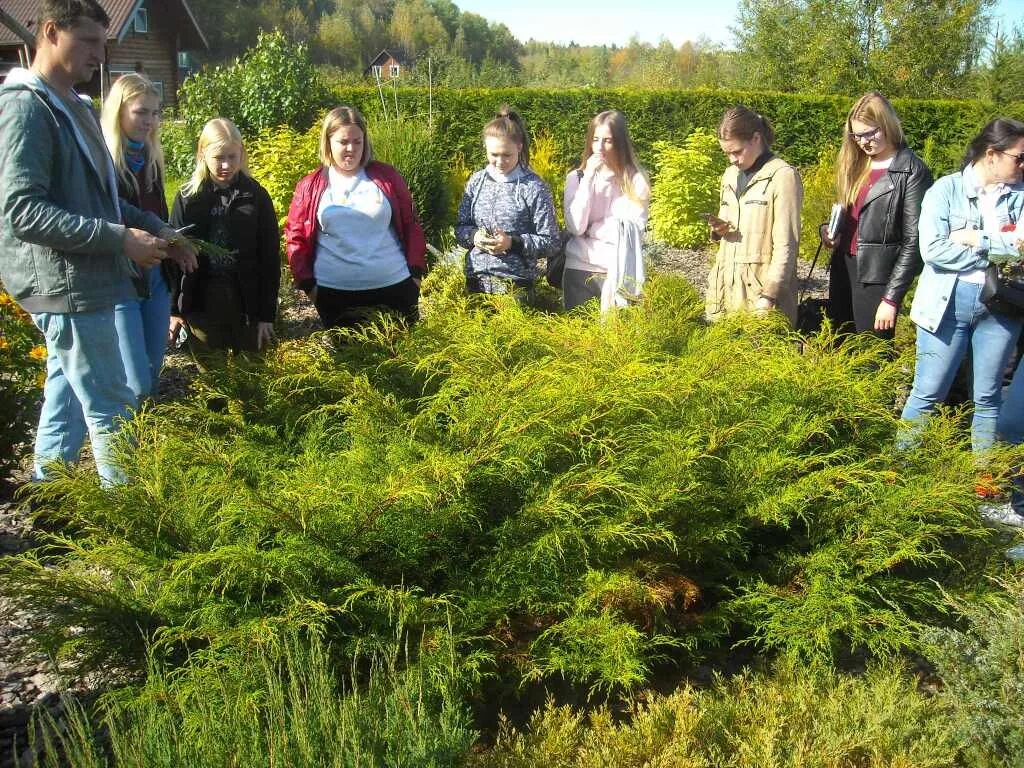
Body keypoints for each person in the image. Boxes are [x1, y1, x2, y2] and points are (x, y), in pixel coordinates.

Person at [0, 0, 195, 485]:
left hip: (86, 279)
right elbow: (22, 211)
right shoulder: (27, 107)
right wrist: (118, 239)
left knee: (65, 396)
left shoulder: (77, 108)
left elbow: (105, 202)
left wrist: (159, 228)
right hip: (63, 284)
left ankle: (51, 498)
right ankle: (129, 522)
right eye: (88, 41)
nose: (99, 54)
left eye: (102, 43)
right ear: (49, 33)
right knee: (113, 403)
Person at [899, 118, 1024, 456]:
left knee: (988, 396)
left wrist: (976, 239)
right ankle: (899, 474)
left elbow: (1023, 250)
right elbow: (933, 251)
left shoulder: (1021, 196)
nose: (1023, 165)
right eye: (1019, 157)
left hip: (1002, 307)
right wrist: (998, 252)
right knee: (927, 392)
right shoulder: (945, 190)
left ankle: (984, 483)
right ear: (992, 154)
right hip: (946, 303)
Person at [286, 106, 427, 328]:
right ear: (328, 142)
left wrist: (415, 275)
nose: (351, 148)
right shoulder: (310, 185)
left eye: (357, 141)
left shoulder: (387, 177)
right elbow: (296, 238)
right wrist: (309, 285)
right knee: (349, 362)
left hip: (395, 288)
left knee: (401, 360)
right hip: (335, 296)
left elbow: (411, 225)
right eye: (343, 142)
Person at [820, 92, 932, 339]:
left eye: (870, 133)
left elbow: (914, 242)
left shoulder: (911, 171)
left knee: (872, 358)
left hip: (877, 277)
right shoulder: (856, 164)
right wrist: (828, 232)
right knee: (840, 346)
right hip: (843, 268)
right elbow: (848, 217)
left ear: (888, 125)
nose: (863, 141)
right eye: (856, 135)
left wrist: (891, 299)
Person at [168, 118, 279, 364]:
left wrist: (266, 315)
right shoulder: (188, 198)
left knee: (252, 380)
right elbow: (173, 257)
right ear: (203, 154)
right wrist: (174, 310)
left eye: (232, 156)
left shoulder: (256, 196)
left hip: (248, 303)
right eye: (219, 158)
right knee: (213, 384)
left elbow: (270, 258)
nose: (226, 165)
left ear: (242, 153)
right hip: (202, 303)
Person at [101, 73, 172, 396]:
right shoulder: (105, 162)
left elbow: (160, 215)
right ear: (119, 111)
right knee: (136, 382)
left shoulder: (151, 159)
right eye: (141, 112)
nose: (150, 121)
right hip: (121, 279)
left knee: (153, 368)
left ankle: (143, 441)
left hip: (155, 274)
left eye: (155, 113)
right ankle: (124, 443)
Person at [706, 106, 802, 325]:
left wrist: (768, 297)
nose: (731, 159)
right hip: (725, 295)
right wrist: (717, 231)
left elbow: (787, 244)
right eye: (726, 153)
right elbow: (726, 224)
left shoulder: (782, 176)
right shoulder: (730, 175)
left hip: (762, 300)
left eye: (737, 152)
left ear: (756, 138)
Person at [456, 106, 558, 300]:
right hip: (475, 282)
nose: (500, 161)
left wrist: (512, 243)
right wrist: (474, 237)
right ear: (485, 147)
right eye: (494, 155)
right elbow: (460, 228)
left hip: (516, 288)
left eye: (506, 155)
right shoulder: (476, 181)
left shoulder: (534, 187)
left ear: (519, 147)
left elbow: (551, 242)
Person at [562, 110, 650, 311]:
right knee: (577, 336)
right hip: (578, 267)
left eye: (608, 141)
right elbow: (576, 227)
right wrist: (589, 179)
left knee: (613, 337)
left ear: (620, 143)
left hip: (617, 270)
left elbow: (629, 231)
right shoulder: (576, 178)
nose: (599, 147)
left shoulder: (635, 180)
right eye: (595, 139)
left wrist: (592, 230)